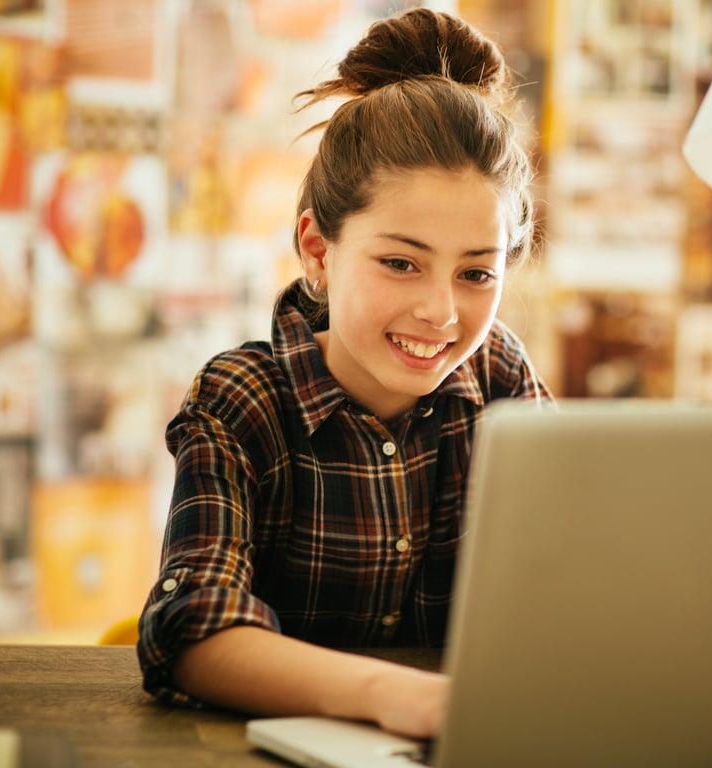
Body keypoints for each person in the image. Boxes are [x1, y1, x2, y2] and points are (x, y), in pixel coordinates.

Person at [136, 8, 552, 740]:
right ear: (319, 253)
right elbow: (190, 630)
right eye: (400, 262)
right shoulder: (241, 401)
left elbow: (579, 576)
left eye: (476, 273)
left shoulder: (501, 378)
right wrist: (400, 697)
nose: (441, 312)